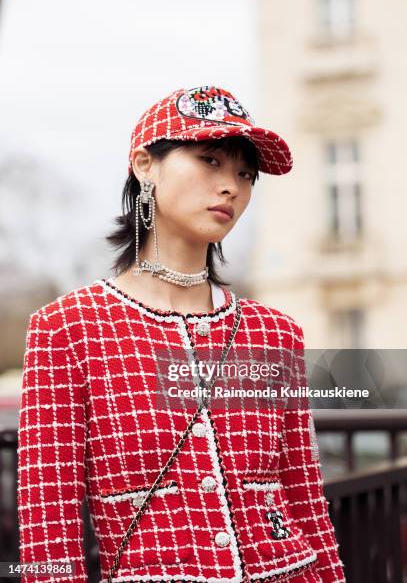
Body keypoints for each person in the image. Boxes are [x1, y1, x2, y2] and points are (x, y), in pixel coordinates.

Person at [17, 85, 345, 582]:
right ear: (145, 164)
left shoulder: (275, 332)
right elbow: (48, 530)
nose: (232, 186)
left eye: (245, 174)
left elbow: (304, 501)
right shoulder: (67, 329)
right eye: (210, 160)